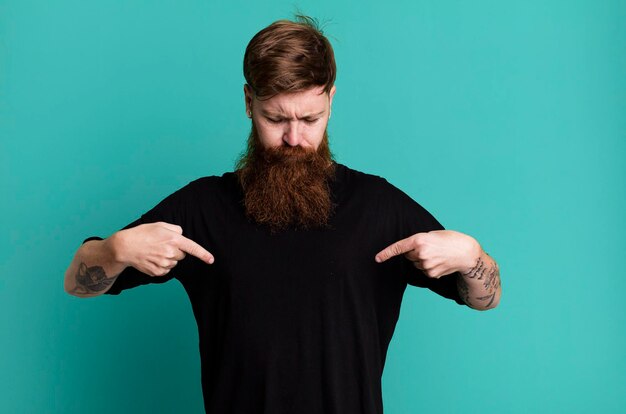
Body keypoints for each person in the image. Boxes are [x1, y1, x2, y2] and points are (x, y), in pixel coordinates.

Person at [64, 15, 502, 414]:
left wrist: (472, 256)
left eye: (310, 119)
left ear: (331, 100)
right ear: (248, 102)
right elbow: (77, 283)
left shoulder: (379, 205)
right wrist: (115, 248)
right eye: (275, 119)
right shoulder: (203, 207)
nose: (294, 138)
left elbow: (486, 298)